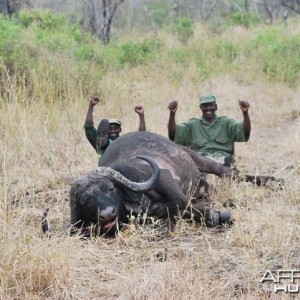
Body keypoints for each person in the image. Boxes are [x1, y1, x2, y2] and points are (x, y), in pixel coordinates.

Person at [168, 93, 251, 166]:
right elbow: (174, 133)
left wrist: (245, 112)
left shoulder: (226, 122)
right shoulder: (192, 125)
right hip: (202, 161)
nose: (208, 108)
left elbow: (245, 131)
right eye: (205, 105)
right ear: (200, 107)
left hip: (224, 160)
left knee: (231, 166)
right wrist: (172, 114)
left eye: (211, 105)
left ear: (216, 106)